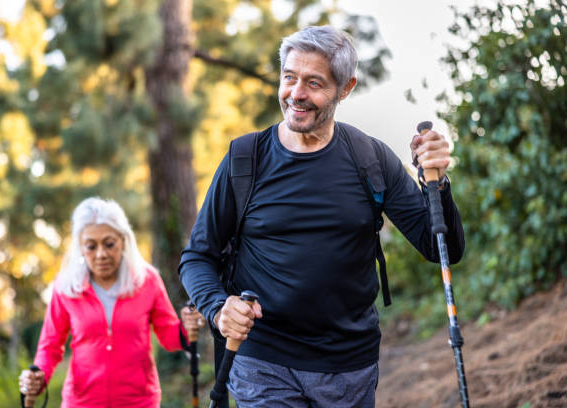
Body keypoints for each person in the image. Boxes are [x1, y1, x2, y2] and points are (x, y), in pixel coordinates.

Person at [179, 25, 465, 407]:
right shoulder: (245, 159)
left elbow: (440, 246)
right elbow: (197, 256)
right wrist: (218, 308)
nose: (296, 94)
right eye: (289, 78)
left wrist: (437, 184)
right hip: (262, 359)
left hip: (348, 366)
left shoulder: (371, 159)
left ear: (345, 88)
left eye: (314, 83)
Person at [18, 197, 205, 407]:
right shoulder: (66, 287)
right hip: (82, 402)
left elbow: (169, 335)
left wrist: (186, 329)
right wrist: (38, 377)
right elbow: (50, 346)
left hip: (139, 401)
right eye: (91, 246)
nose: (101, 254)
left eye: (109, 244)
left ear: (123, 240)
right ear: (80, 247)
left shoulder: (147, 280)